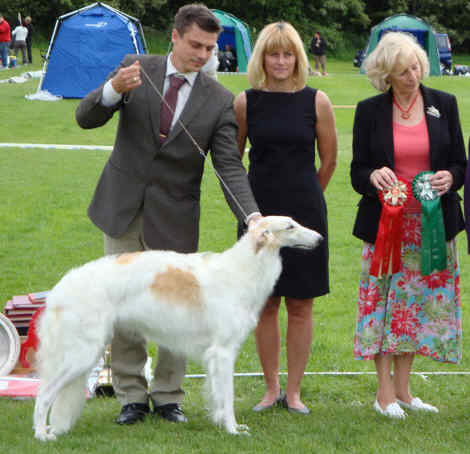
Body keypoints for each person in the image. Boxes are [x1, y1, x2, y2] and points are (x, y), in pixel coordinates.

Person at [76, 3, 260, 426]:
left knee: (179, 307)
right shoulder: (132, 67)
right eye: (195, 44)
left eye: (210, 48)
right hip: (121, 208)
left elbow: (229, 166)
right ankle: (131, 396)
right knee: (123, 303)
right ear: (174, 37)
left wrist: (251, 216)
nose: (202, 54)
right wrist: (112, 91)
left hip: (176, 217)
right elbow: (86, 117)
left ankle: (168, 396)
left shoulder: (219, 100)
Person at [351, 32, 466, 418]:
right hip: (387, 227)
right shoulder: (369, 111)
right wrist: (374, 176)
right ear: (386, 74)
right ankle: (382, 394)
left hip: (433, 228)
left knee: (413, 309)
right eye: (402, 72)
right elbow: (357, 171)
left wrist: (450, 178)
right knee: (384, 307)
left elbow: (460, 164)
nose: (412, 76)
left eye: (415, 66)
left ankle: (404, 391)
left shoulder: (444, 104)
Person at [234, 22, 337, 414]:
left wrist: (308, 199)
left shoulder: (317, 101)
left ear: (298, 57)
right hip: (258, 215)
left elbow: (328, 161)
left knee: (300, 303)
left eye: (288, 53)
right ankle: (270, 388)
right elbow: (234, 158)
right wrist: (252, 214)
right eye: (273, 54)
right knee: (264, 303)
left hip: (305, 213)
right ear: (262, 57)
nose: (281, 61)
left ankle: (294, 392)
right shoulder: (246, 102)